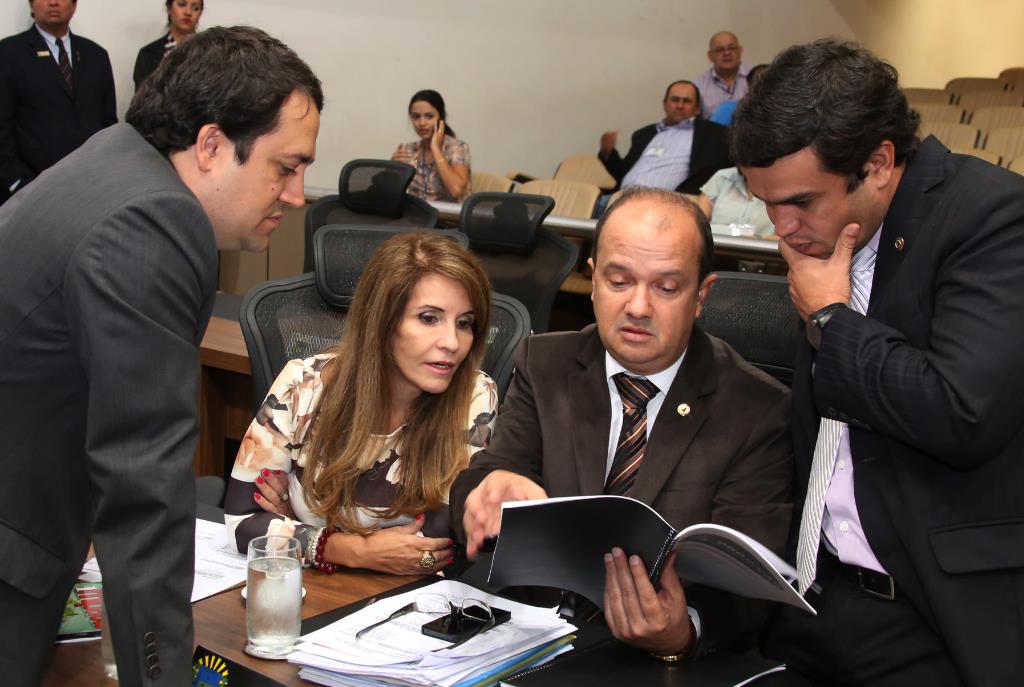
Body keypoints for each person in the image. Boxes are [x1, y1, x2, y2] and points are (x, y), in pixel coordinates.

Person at [0, 26, 322, 685]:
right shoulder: (155, 221)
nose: (295, 194)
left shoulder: (114, 160)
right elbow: (145, 487)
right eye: (285, 167)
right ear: (210, 145)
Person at [731, 39, 1024, 686]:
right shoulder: (828, 237)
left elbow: (961, 413)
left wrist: (832, 322)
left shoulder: (994, 217)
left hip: (932, 615)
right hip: (814, 598)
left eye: (802, 201)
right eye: (765, 202)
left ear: (880, 162)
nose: (780, 227)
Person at [450, 186, 793, 660]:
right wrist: (489, 487)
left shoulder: (758, 408)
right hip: (529, 634)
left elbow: (751, 587)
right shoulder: (544, 362)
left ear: (701, 295)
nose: (637, 307)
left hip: (655, 664)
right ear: (592, 280)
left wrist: (683, 632)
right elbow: (491, 474)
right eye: (619, 281)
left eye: (667, 288)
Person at [225, 233, 498, 576]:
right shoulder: (303, 384)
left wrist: (296, 528)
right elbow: (241, 522)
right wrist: (350, 549)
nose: (452, 342)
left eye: (465, 323)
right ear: (381, 321)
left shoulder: (474, 394)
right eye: (429, 318)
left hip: (403, 607)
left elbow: (437, 542)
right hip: (313, 593)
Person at [0, 0, 116, 202]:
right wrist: (15, 183)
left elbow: (108, 125)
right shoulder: (8, 53)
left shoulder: (96, 55)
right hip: (30, 191)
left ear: (74, 5)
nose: (53, 2)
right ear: (31, 4)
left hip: (90, 189)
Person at [598, 80, 731, 196]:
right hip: (620, 198)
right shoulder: (644, 134)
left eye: (687, 101)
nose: (679, 105)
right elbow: (622, 174)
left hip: (669, 205)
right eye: (674, 100)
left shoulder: (715, 135)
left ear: (697, 109)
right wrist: (607, 153)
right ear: (664, 104)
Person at [391, 90, 471, 202]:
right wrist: (392, 168)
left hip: (448, 218)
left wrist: (436, 149)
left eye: (429, 116)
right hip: (417, 216)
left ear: (441, 118)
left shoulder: (457, 148)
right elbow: (392, 193)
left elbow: (456, 190)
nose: (422, 123)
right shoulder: (410, 149)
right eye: (416, 117)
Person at [133, 0, 204, 90]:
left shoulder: (211, 53)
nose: (188, 12)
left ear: (200, 14)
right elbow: (143, 99)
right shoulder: (149, 54)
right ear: (169, 9)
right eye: (182, 4)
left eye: (196, 8)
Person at [697, 167, 774, 238]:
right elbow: (697, 224)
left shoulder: (779, 183)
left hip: (761, 250)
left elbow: (779, 239)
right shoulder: (721, 177)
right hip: (715, 246)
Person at [694, 31, 750, 121]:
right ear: (710, 56)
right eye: (720, 50)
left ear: (740, 51)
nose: (727, 53)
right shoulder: (698, 85)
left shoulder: (758, 79)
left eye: (732, 48)